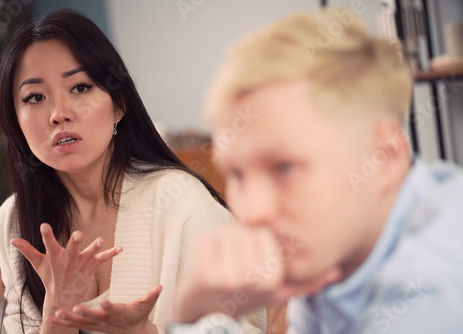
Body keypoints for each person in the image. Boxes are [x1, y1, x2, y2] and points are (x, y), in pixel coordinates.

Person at [171, 7, 463, 334]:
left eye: (284, 168)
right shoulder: (338, 246)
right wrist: (195, 313)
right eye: (236, 174)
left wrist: (194, 323)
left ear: (385, 157)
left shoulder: (433, 283)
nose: (251, 212)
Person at [0, 9, 266, 334]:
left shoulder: (183, 204)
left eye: (79, 88)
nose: (58, 114)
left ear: (119, 105)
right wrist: (57, 313)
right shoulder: (14, 221)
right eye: (35, 97)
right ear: (15, 121)